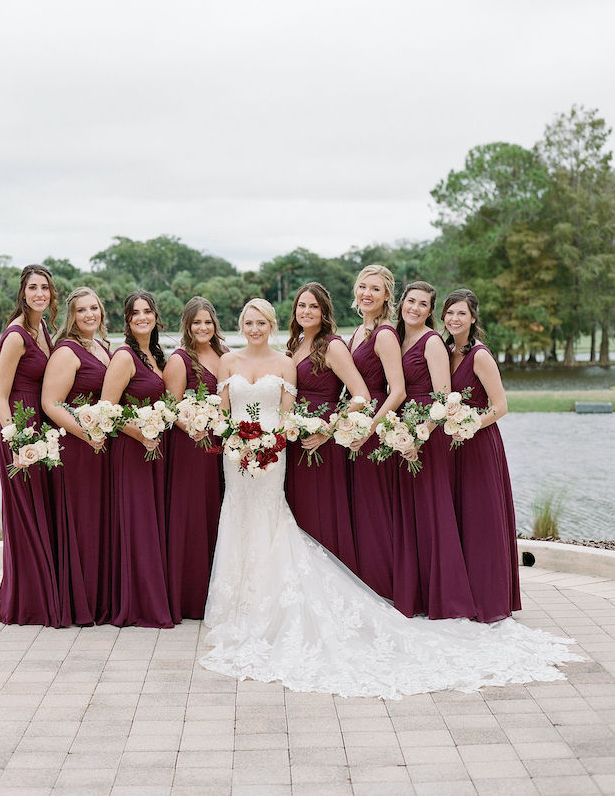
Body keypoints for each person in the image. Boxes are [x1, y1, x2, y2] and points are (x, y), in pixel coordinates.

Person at [200, 297, 578, 698]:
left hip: (278, 453)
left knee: (273, 519)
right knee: (236, 516)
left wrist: (313, 432)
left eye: (262, 322)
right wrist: (233, 438)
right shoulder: (242, 359)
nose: (255, 327)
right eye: (249, 322)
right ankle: (237, 600)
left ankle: (270, 598)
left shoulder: (293, 359)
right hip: (237, 454)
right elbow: (224, 412)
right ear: (241, 324)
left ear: (272, 323)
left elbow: (306, 407)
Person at [392, 281, 476, 620]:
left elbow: (443, 397)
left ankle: (446, 597)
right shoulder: (398, 337)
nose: (414, 308)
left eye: (422, 304)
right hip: (402, 430)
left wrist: (421, 434)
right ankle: (417, 594)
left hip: (427, 433)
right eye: (410, 301)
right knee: (410, 515)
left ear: (430, 311)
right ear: (402, 304)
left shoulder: (432, 343)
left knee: (431, 512)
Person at [442, 289, 521, 622]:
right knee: (457, 517)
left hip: (479, 445)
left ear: (473, 318)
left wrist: (472, 424)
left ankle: (490, 599)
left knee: (482, 519)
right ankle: (462, 595)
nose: (455, 319)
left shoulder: (479, 355)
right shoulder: (444, 352)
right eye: (449, 313)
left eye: (462, 314)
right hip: (450, 447)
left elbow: (501, 406)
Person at [101, 291, 173, 628]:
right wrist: (140, 434)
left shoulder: (155, 355)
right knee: (138, 525)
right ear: (127, 321)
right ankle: (138, 605)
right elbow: (107, 410)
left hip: (154, 451)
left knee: (152, 523)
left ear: (156, 317)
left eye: (147, 311)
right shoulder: (124, 356)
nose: (142, 317)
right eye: (135, 313)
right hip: (132, 451)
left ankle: (153, 598)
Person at [0, 264, 61, 626]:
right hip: (18, 427)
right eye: (33, 287)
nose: (39, 293)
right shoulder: (17, 335)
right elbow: (0, 397)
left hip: (42, 427)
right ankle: (25, 603)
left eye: (45, 288)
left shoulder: (44, 328)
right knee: (25, 516)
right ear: (23, 292)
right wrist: (16, 439)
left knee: (41, 512)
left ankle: (42, 595)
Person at [285, 282, 368, 571]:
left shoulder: (332, 345)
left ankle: (333, 577)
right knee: (300, 511)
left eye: (313, 306)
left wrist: (326, 430)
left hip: (324, 442)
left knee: (322, 511)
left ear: (324, 312)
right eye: (302, 305)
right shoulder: (294, 346)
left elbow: (361, 396)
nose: (306, 311)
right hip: (295, 441)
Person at [42, 287, 111, 626]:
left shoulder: (102, 347)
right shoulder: (66, 352)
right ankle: (78, 602)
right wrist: (86, 433)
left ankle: (101, 599)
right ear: (71, 315)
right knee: (82, 523)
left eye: (94, 308)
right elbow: (50, 403)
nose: (89, 315)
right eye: (82, 310)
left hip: (102, 450)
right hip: (78, 450)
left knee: (99, 522)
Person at [163, 296, 228, 622]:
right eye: (196, 322)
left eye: (208, 321)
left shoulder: (226, 356)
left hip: (223, 447)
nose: (203, 327)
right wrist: (192, 425)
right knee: (193, 516)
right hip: (192, 447)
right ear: (187, 326)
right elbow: (170, 407)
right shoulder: (179, 360)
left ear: (214, 324)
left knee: (219, 513)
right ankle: (191, 597)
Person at [348, 265, 406, 600]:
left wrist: (370, 430)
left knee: (375, 508)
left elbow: (397, 390)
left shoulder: (384, 334)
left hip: (375, 428)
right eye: (362, 287)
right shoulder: (357, 332)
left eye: (375, 289)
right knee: (362, 507)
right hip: (356, 426)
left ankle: (384, 587)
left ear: (386, 297)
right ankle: (364, 582)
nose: (366, 293)